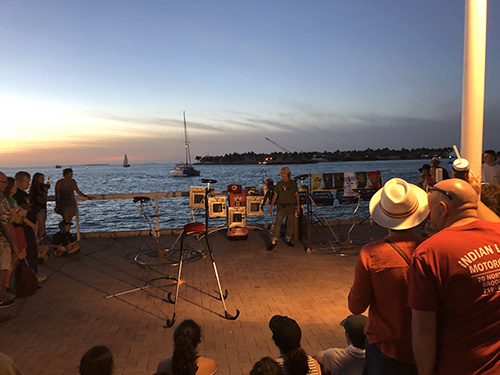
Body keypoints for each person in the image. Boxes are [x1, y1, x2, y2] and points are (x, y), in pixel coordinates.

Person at [408, 179, 500, 375]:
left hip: (460, 366)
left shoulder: (431, 253)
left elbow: (423, 331)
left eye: (430, 211)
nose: (429, 219)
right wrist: (474, 196)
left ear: (442, 208)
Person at [348, 178, 430, 375]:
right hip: (427, 344)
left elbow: (356, 307)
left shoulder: (371, 254)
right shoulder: (431, 249)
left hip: (385, 347)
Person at [12, 171, 40, 277]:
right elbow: (20, 214)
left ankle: (32, 275)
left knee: (32, 252)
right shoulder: (17, 196)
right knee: (28, 253)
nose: (28, 184)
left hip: (30, 227)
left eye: (29, 182)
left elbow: (32, 209)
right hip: (24, 228)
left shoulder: (26, 195)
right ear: (18, 181)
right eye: (26, 182)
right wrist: (32, 225)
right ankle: (28, 277)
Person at [268, 166, 300, 250]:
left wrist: (298, 206)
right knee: (277, 223)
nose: (282, 175)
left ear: (288, 173)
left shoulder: (293, 183)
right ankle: (274, 241)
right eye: (281, 173)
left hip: (291, 206)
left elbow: (296, 195)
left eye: (284, 173)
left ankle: (288, 239)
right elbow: (275, 195)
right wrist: (271, 206)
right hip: (281, 206)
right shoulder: (279, 184)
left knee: (290, 224)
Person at [0, 172, 18, 308]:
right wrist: (14, 246)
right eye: (4, 182)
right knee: (3, 268)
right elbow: (6, 225)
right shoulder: (1, 200)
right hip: (2, 242)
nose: (6, 185)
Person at [29, 173, 49, 241]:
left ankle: (39, 241)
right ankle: (41, 241)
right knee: (41, 227)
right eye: (41, 178)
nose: (43, 179)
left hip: (42, 207)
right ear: (37, 179)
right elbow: (40, 200)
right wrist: (45, 193)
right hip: (39, 208)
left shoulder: (41, 187)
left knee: (41, 226)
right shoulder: (35, 189)